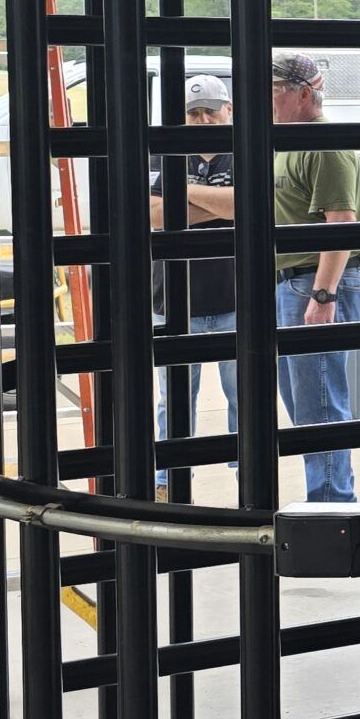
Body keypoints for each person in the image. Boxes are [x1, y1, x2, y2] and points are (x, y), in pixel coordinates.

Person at [269, 51, 360, 503]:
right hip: (291, 284)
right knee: (304, 407)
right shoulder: (284, 143)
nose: (261, 100)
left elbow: (342, 221)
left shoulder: (326, 142)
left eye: (271, 91)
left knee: (321, 406)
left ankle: (333, 508)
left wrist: (323, 295)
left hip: (314, 283)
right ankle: (328, 497)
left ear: (303, 94)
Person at [150, 76, 237, 465]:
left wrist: (180, 191)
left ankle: (248, 483)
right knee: (175, 403)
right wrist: (218, 204)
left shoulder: (245, 149)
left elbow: (248, 204)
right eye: (193, 112)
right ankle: (169, 482)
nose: (201, 120)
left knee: (246, 402)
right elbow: (153, 215)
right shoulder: (161, 153)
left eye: (210, 112)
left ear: (229, 111)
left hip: (237, 300)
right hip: (172, 302)